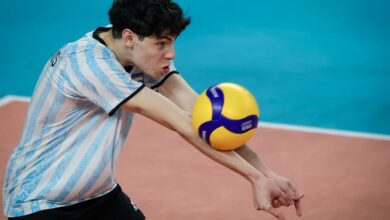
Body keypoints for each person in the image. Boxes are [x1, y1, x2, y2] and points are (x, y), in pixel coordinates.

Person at [2, 0, 304, 219]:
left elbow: (204, 119)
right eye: (162, 44)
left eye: (172, 42)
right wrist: (253, 179)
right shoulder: (89, 66)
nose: (170, 54)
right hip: (40, 202)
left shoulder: (136, 50)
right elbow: (181, 122)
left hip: (99, 194)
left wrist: (267, 173)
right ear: (131, 37)